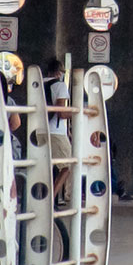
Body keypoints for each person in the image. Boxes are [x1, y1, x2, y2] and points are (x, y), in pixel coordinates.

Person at [42, 59, 73, 203]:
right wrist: (77, 112)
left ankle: (42, 197)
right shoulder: (60, 86)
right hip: (56, 132)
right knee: (68, 165)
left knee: (44, 166)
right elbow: (61, 112)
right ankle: (52, 198)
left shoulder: (39, 84)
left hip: (39, 130)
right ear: (59, 72)